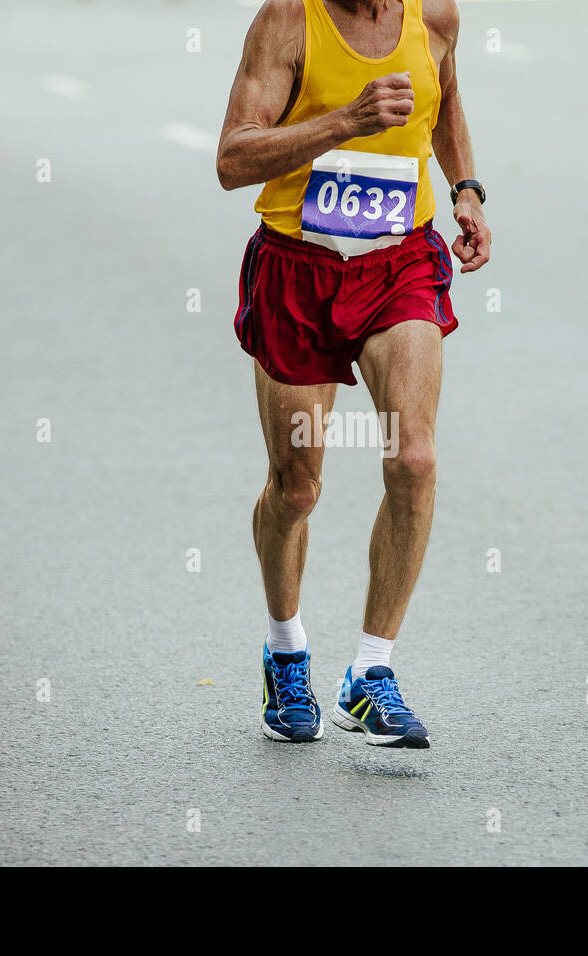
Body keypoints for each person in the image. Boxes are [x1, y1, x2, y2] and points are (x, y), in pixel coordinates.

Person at [217, 0, 490, 748]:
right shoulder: (287, 21)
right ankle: (286, 650)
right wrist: (344, 120)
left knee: (415, 457)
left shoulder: (435, 16)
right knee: (296, 485)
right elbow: (233, 160)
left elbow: (446, 97)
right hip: (297, 270)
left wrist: (466, 188)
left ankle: (371, 675)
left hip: (399, 262)